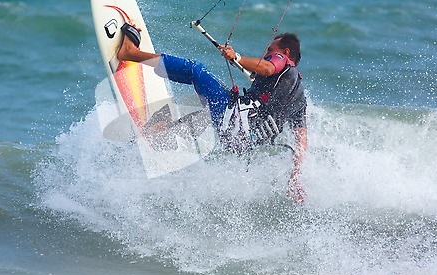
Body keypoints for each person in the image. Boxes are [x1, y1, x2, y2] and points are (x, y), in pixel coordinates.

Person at [118, 23, 307, 203]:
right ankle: (160, 133)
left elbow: (267, 68)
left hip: (233, 120)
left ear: (286, 52)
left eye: (269, 51)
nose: (267, 54)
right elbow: (302, 140)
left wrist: (237, 58)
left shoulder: (282, 61)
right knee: (206, 109)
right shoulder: (299, 97)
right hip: (241, 142)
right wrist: (295, 175)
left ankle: (132, 53)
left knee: (195, 69)